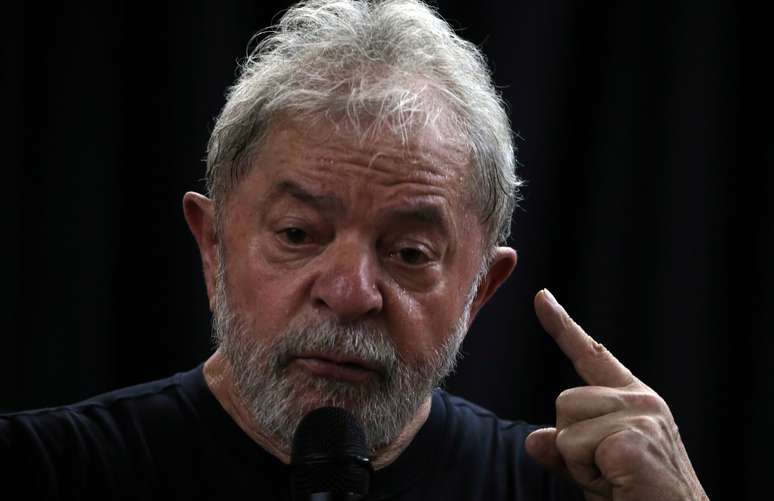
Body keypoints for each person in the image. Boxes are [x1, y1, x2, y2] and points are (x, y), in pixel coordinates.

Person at [1, 1, 708, 499]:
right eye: (298, 234)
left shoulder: (570, 492)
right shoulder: (45, 471)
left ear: (480, 288)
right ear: (212, 246)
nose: (348, 291)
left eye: (408, 252)